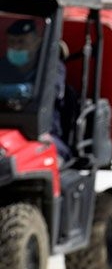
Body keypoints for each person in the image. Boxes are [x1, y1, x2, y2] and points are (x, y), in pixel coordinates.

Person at [0, 19, 71, 162]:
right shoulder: (3, 66)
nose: (16, 47)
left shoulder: (52, 67)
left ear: (37, 42)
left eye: (21, 42)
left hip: (42, 133)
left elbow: (51, 91)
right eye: (11, 42)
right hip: (6, 131)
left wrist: (20, 90)